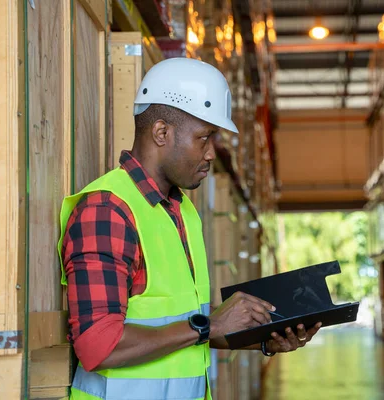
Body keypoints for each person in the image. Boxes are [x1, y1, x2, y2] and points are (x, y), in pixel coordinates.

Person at [57, 57, 322, 400]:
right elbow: (98, 345)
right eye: (204, 138)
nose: (212, 153)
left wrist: (261, 337)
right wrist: (210, 324)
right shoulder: (107, 211)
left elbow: (182, 324)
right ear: (162, 132)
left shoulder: (180, 211)